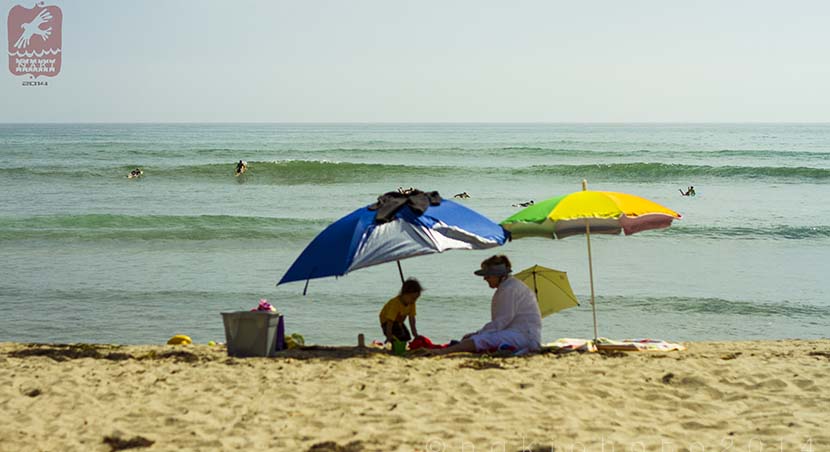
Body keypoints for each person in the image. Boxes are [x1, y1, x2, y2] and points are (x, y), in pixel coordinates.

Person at [426, 255, 542, 356]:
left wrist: (478, 333)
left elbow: (502, 321)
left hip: (524, 336)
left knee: (480, 340)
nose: (485, 278)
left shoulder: (509, 289)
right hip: (520, 333)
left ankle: (444, 352)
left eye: (488, 276)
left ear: (498, 275)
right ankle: (450, 349)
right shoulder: (508, 286)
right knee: (476, 338)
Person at [379, 278, 422, 344]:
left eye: (416, 298)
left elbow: (412, 319)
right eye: (413, 298)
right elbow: (390, 321)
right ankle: (392, 343)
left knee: (406, 337)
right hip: (386, 322)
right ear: (404, 294)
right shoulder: (395, 304)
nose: (414, 301)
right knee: (397, 336)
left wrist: (415, 333)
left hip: (399, 321)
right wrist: (389, 335)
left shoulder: (412, 303)